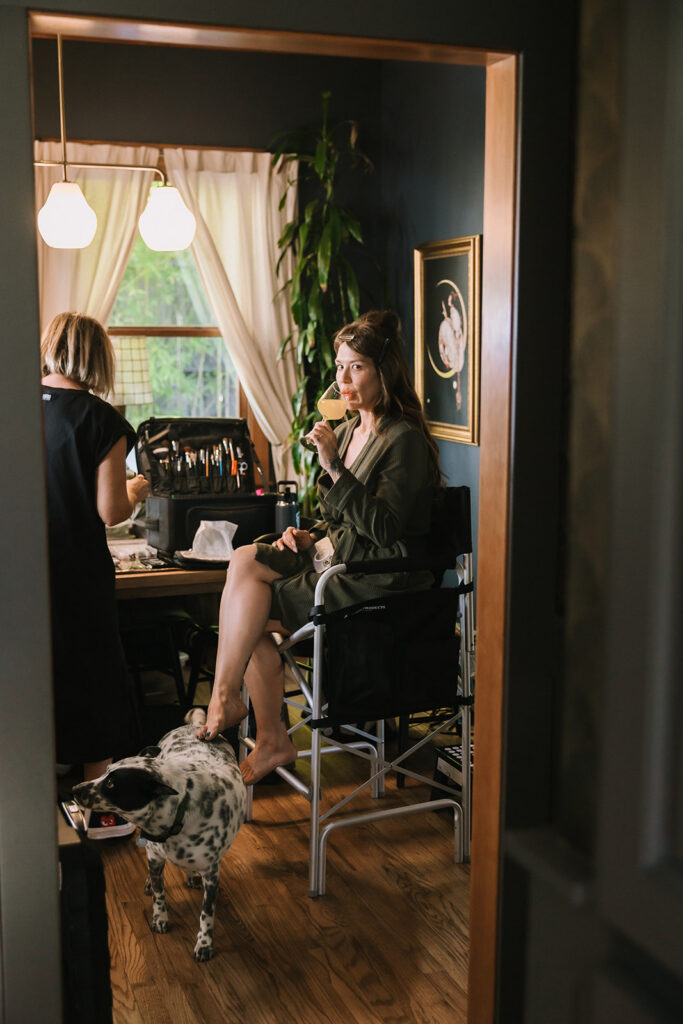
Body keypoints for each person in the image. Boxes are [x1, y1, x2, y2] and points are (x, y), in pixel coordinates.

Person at [198, 309, 443, 785]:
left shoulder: (403, 440)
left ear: (383, 372)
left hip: (375, 578)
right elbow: (341, 517)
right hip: (339, 558)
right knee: (246, 558)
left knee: (244, 617)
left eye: (357, 367)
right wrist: (308, 533)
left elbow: (387, 530)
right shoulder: (350, 430)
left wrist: (332, 467)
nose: (343, 379)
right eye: (339, 366)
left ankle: (253, 722)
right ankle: (253, 721)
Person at [41, 312, 150, 838]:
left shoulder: (15, 403)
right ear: (97, 359)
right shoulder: (100, 419)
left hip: (26, 575)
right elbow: (110, 512)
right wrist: (136, 489)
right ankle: (98, 814)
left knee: (38, 682)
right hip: (79, 578)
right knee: (94, 687)